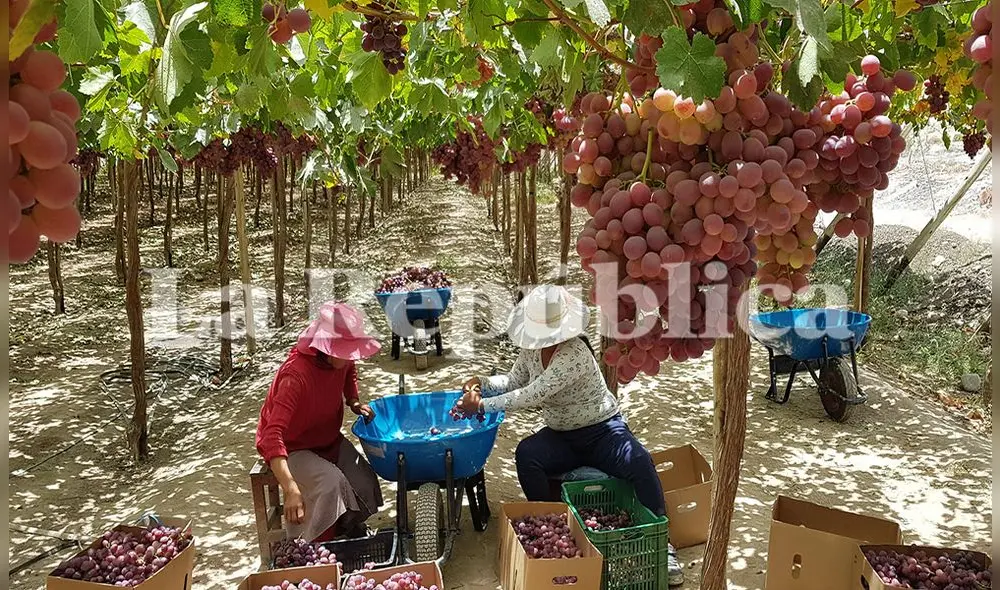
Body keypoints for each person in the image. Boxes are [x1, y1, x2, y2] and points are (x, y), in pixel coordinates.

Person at [455, 285, 685, 586]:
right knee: (528, 454)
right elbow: (514, 381)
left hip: (603, 430)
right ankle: (551, 526)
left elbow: (532, 394)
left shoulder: (574, 353)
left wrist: (481, 404)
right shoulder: (532, 351)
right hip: (562, 434)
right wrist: (481, 383)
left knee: (640, 462)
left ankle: (663, 544)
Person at [256, 301, 384, 543]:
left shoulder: (340, 361)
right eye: (344, 352)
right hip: (293, 447)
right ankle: (316, 546)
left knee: (364, 481)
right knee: (330, 484)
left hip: (327, 439)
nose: (348, 359)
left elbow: (349, 373)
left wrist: (353, 401)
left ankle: (344, 530)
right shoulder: (295, 376)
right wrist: (290, 487)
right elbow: (273, 436)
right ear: (326, 349)